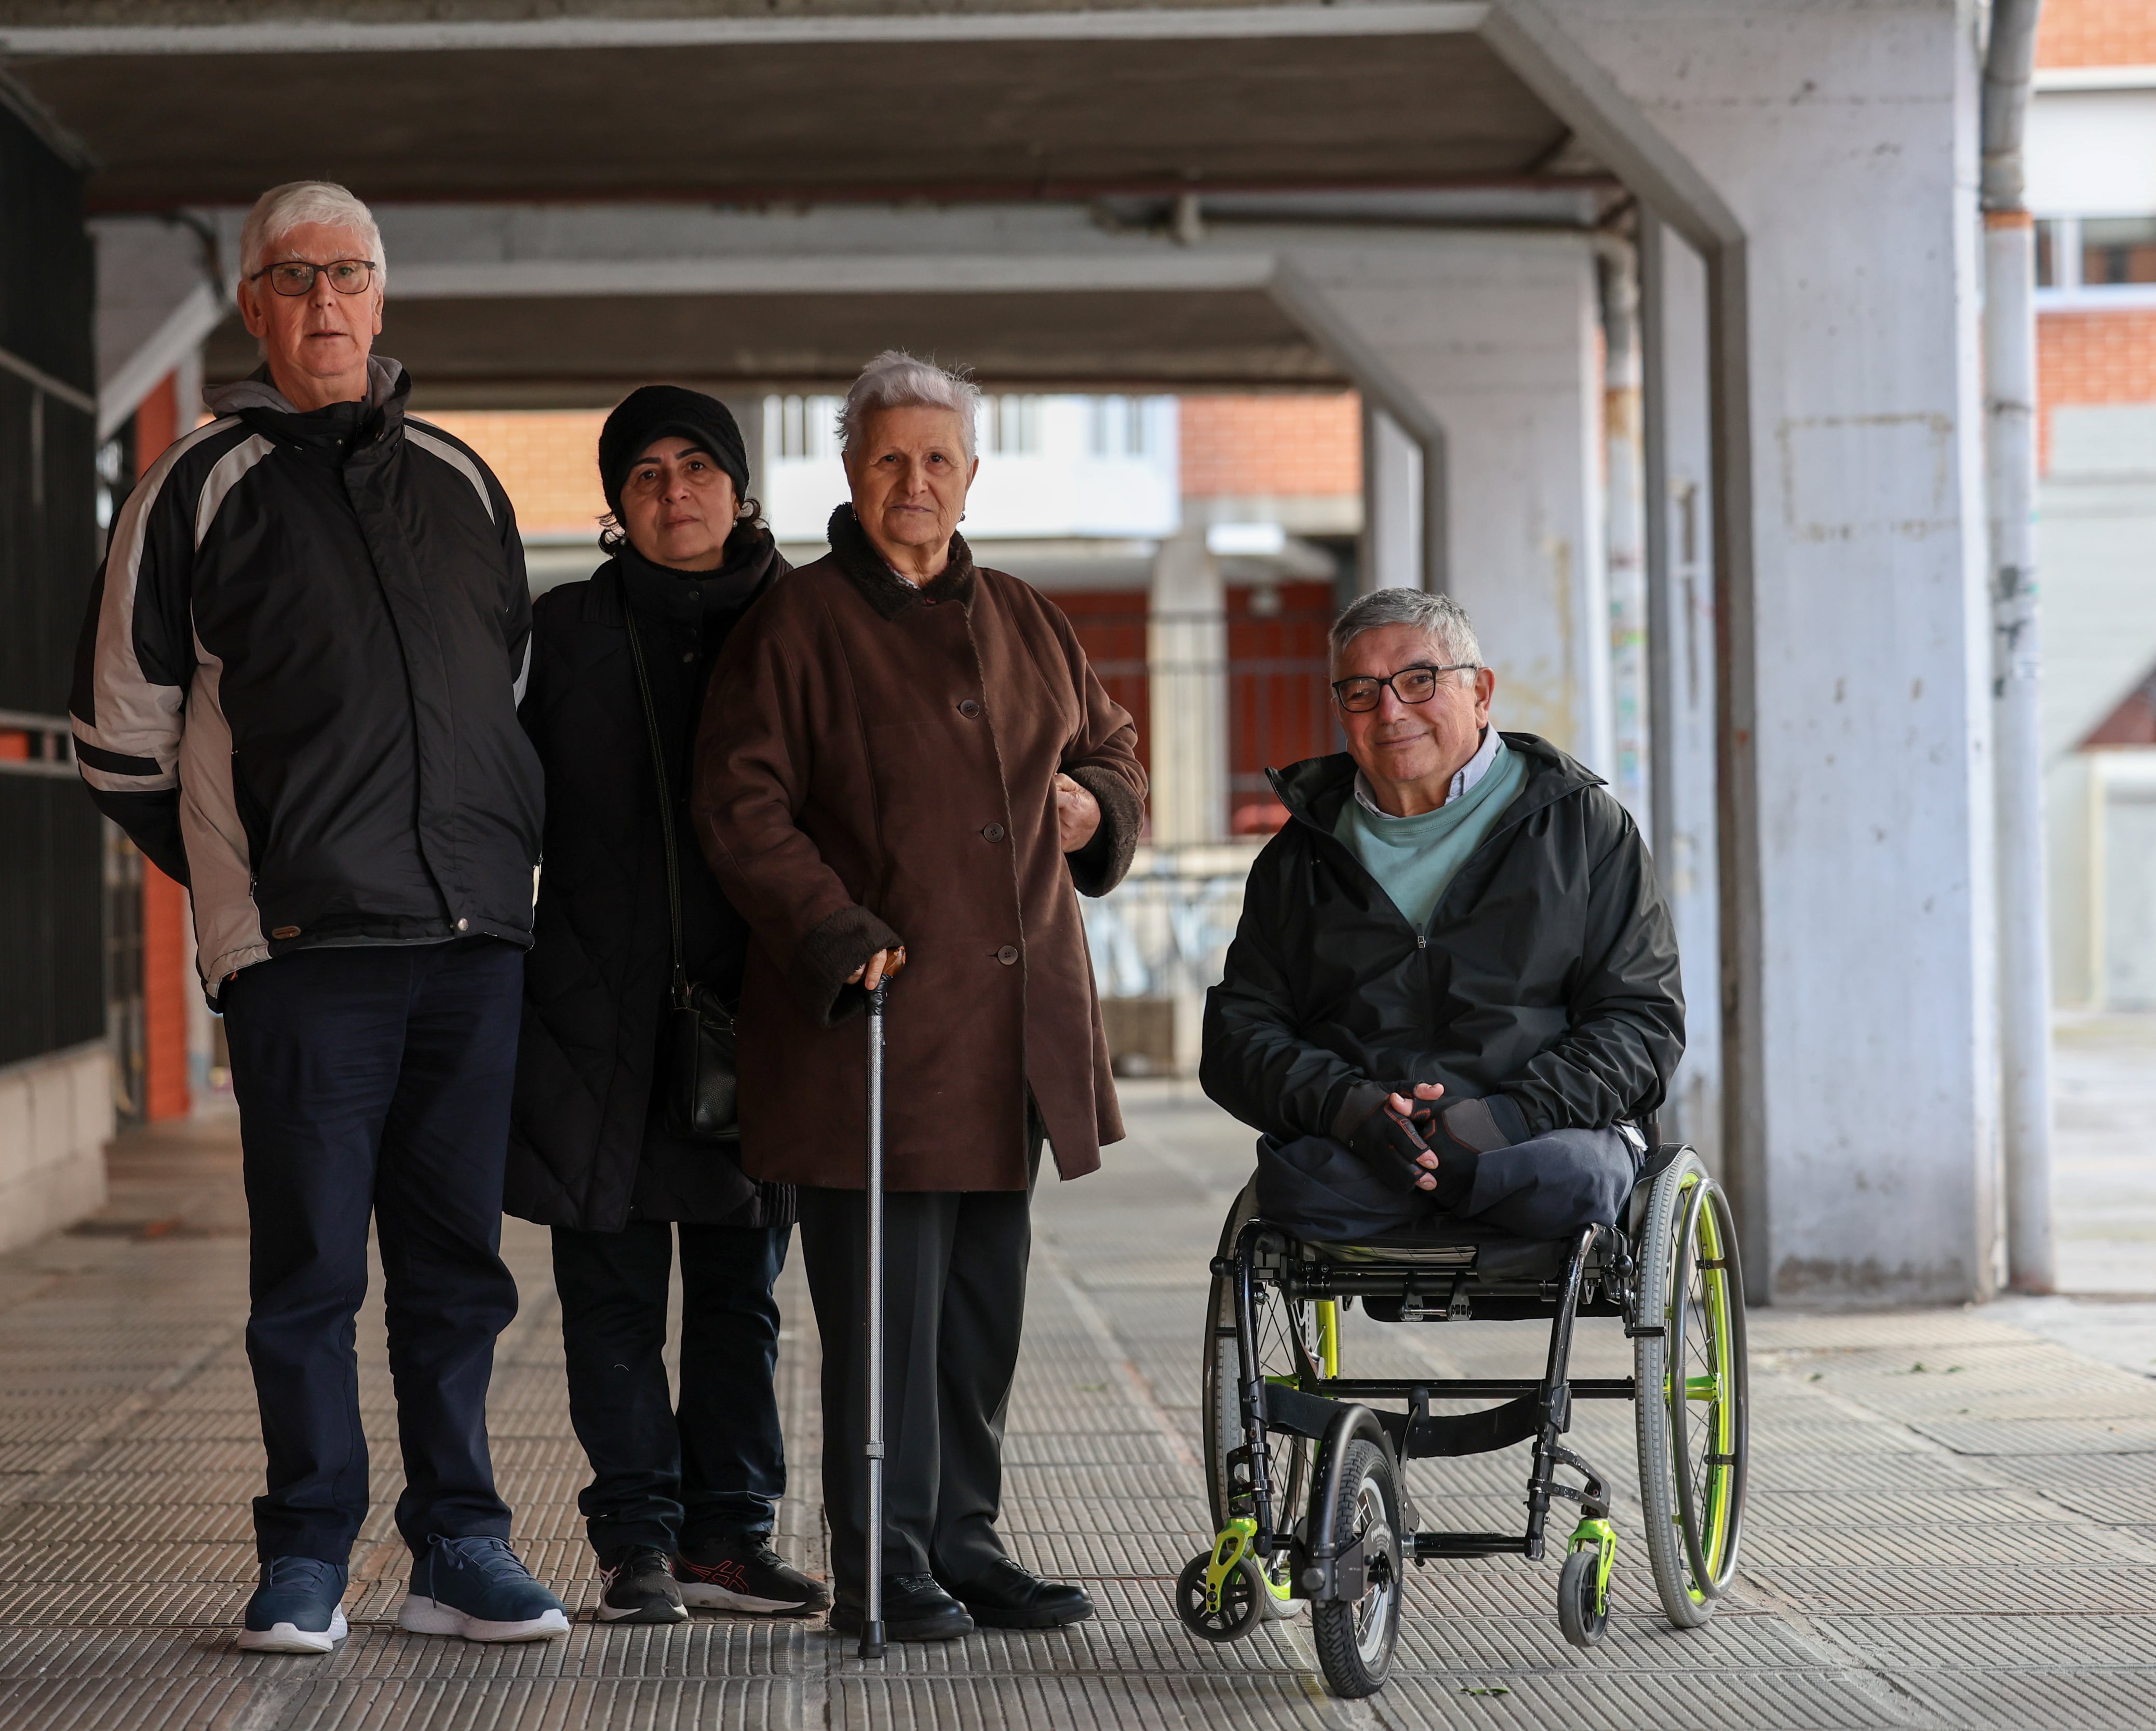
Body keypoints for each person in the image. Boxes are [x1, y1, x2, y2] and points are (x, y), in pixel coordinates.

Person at [69, 180, 567, 1655]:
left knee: (458, 1267)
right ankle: (302, 1553)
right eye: (295, 277)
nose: (328, 300)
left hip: (472, 940)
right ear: (253, 304)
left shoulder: (465, 480)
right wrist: (253, 889)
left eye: (350, 271)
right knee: (307, 1272)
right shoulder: (196, 485)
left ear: (384, 293)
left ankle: (460, 1543)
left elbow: (509, 699)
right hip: (302, 957)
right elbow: (118, 735)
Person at [693, 350, 1148, 1642]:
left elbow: (1112, 748)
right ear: (849, 470)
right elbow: (739, 802)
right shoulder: (796, 623)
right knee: (880, 1328)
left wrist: (1093, 803)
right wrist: (835, 928)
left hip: (1008, 1043)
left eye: (937, 459)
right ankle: (879, 1560)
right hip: (873, 1035)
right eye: (890, 457)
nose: (915, 482)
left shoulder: (1024, 616)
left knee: (975, 1319)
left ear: (969, 475)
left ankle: (964, 1540)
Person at [506, 387, 826, 1625]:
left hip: (762, 1014)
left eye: (697, 466)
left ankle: (730, 1538)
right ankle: (637, 1536)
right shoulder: (567, 631)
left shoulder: (801, 620)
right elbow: (495, 794)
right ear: (616, 506)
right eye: (642, 474)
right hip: (593, 1016)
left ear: (742, 490)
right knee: (610, 1292)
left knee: (742, 1291)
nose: (673, 491)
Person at [1200, 587, 1686, 1242]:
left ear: (1480, 692)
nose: (1391, 710)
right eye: (1361, 691)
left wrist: (1498, 1122)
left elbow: (1640, 1018)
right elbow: (1239, 1035)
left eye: (1418, 680)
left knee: (1567, 1181)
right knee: (1300, 1188)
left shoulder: (1582, 829)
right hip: (1366, 1153)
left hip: (1541, 1139)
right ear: (1341, 710)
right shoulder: (1301, 857)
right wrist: (1348, 1107)